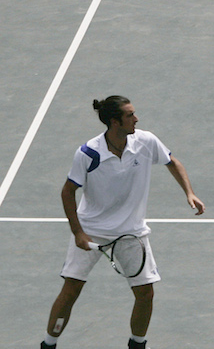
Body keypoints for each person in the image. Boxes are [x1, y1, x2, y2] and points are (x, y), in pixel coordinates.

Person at [41, 96, 205, 349]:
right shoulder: (88, 153)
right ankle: (49, 344)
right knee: (71, 290)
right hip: (92, 231)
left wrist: (189, 192)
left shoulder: (146, 142)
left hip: (131, 232)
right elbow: (67, 191)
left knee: (145, 293)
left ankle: (137, 344)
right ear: (115, 122)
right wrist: (78, 233)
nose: (136, 119)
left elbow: (173, 162)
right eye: (130, 115)